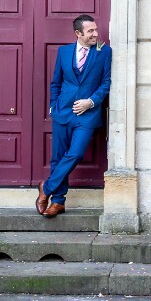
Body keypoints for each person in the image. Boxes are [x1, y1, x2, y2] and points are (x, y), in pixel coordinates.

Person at [37, 14, 112, 218]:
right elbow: (56, 82)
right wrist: (54, 106)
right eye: (90, 31)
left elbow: (106, 83)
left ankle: (47, 187)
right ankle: (58, 201)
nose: (96, 34)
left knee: (76, 153)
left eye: (96, 30)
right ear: (78, 33)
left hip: (87, 114)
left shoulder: (104, 52)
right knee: (58, 157)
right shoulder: (64, 52)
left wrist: (91, 102)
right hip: (63, 112)